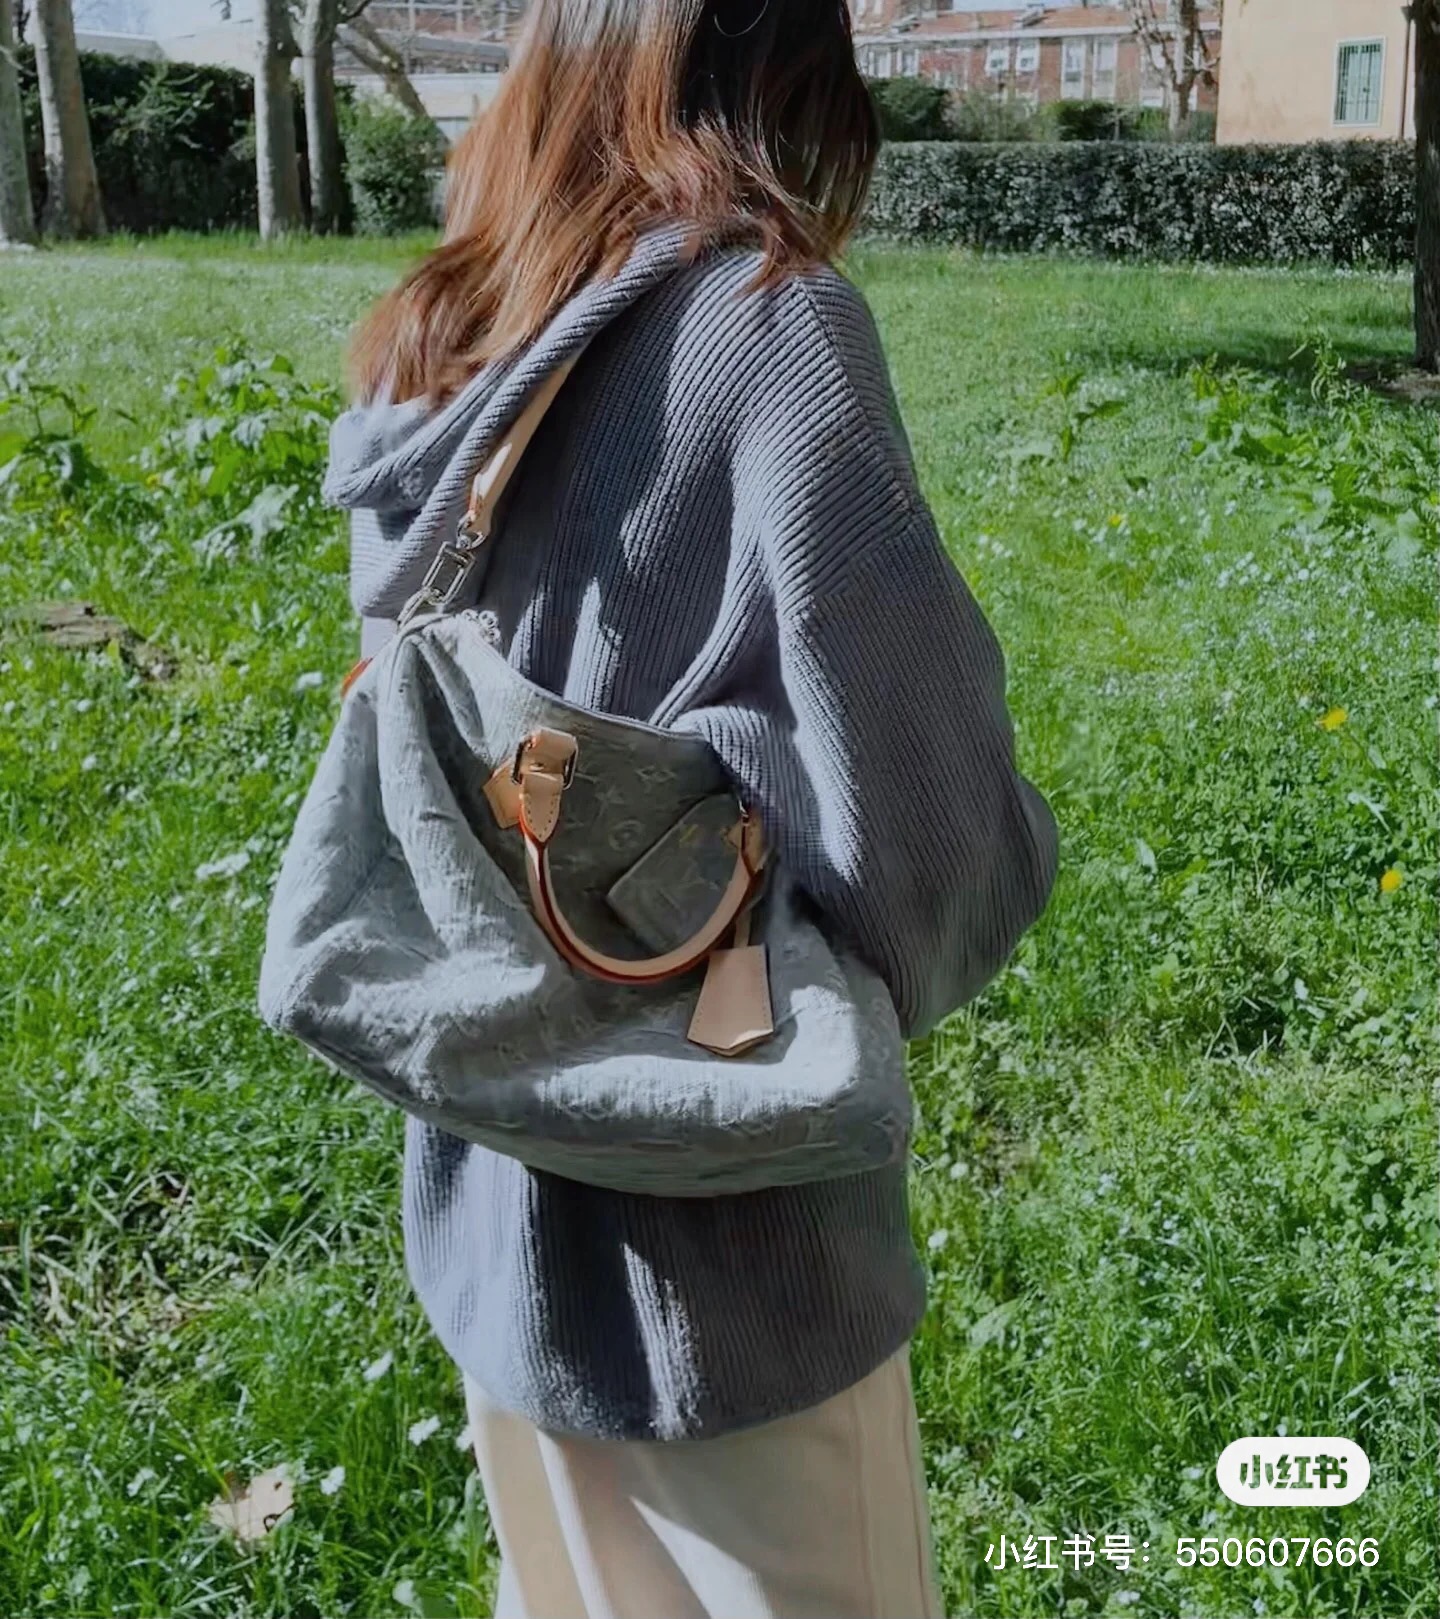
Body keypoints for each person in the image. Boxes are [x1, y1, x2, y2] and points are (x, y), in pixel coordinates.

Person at [324, 2, 1059, 1614]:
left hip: (495, 1202)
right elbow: (923, 830)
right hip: (738, 1272)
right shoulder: (769, 327)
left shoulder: (446, 338)